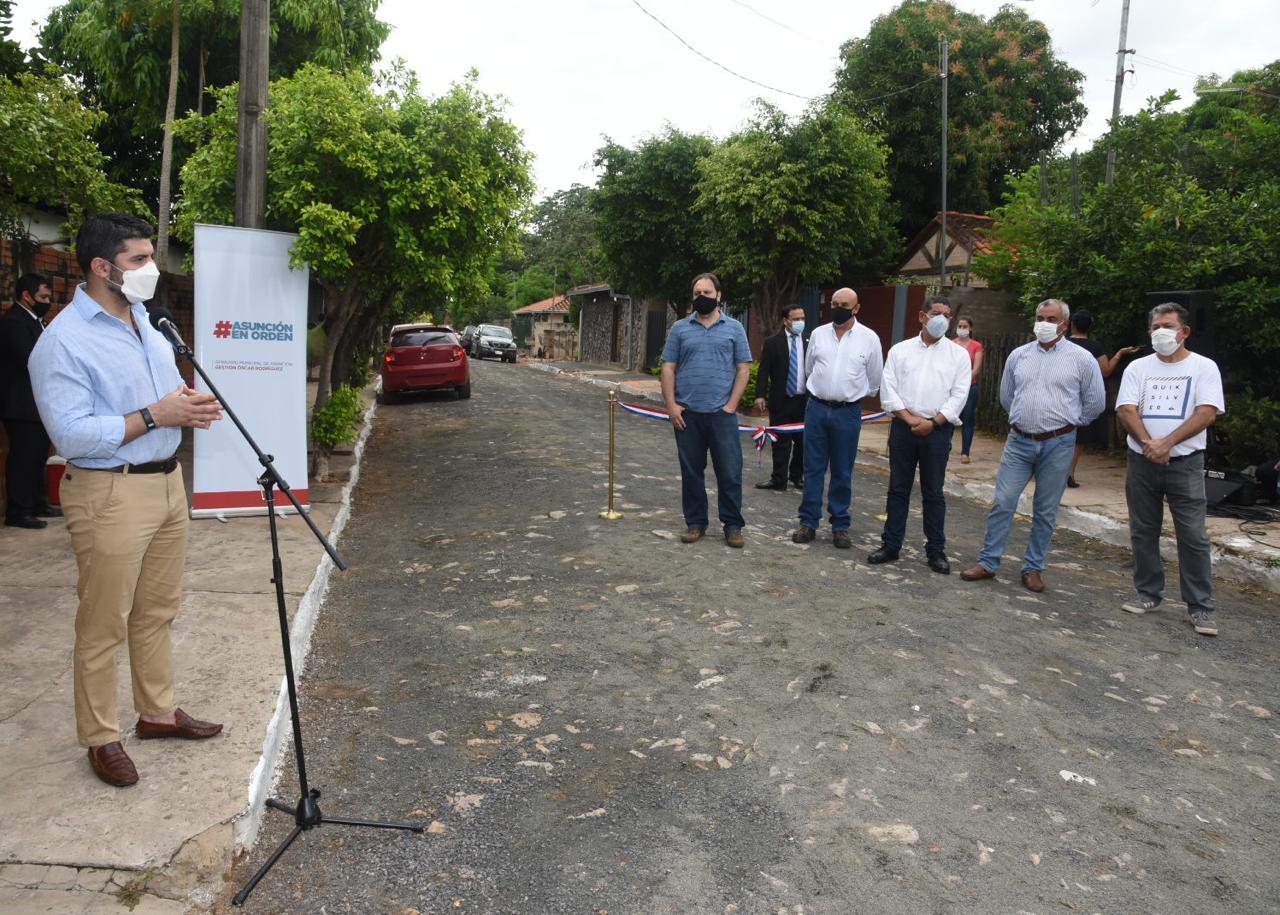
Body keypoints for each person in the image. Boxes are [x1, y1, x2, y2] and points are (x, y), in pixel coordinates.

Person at [29, 213, 226, 788]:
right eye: (138, 260)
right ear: (101, 267)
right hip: (108, 491)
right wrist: (157, 415)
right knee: (103, 623)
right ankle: (100, 737)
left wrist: (184, 407)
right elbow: (70, 435)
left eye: (149, 258)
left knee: (157, 610)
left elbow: (158, 399)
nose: (151, 269)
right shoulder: (63, 340)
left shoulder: (147, 320)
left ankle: (157, 712)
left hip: (166, 483)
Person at [960, 299, 1105, 593]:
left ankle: (1033, 568)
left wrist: (1068, 423)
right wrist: (1024, 417)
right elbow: (1007, 396)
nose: (1044, 324)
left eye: (1051, 319)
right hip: (1019, 441)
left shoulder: (1082, 359)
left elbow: (1095, 402)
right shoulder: (1019, 355)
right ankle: (988, 561)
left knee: (1045, 509)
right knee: (1003, 501)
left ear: (1065, 324)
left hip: (1059, 444)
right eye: (1040, 318)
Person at [1115, 302, 1225, 636]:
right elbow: (1126, 409)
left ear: (1184, 331)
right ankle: (1148, 592)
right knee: (1143, 529)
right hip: (1142, 460)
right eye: (1156, 327)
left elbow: (1207, 413)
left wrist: (1167, 443)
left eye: (1168, 326)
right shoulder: (1138, 368)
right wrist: (1150, 444)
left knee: (1192, 535)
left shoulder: (1203, 367)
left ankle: (1200, 607)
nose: (1161, 332)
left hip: (1185, 463)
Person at [869, 295, 970, 573]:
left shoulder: (958, 355)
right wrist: (909, 418)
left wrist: (934, 422)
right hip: (904, 427)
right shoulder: (900, 351)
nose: (942, 319)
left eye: (947, 315)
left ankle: (936, 551)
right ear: (922, 316)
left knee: (933, 492)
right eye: (936, 313)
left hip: (937, 431)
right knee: (898, 489)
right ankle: (891, 545)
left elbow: (959, 395)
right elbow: (888, 389)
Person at [660, 272, 752, 548]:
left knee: (730, 472)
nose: (702, 297)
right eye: (697, 293)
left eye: (707, 293)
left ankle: (732, 526)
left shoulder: (735, 328)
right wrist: (672, 406)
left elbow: (743, 369)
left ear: (719, 295)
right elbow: (668, 368)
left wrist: (731, 406)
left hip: (722, 416)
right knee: (691, 473)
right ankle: (696, 523)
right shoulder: (679, 329)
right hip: (688, 415)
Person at [792, 288, 883, 549]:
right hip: (817, 409)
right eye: (834, 304)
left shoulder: (869, 338)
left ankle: (840, 525)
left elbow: (875, 379)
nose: (838, 309)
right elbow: (809, 368)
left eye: (844, 305)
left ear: (856, 308)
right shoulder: (818, 334)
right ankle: (808, 522)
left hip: (848, 412)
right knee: (812, 468)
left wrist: (850, 394)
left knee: (842, 470)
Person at [1, 273, 60, 528]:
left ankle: (37, 502)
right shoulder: (15, 322)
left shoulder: (35, 320)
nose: (47, 301)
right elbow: (30, 359)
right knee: (23, 458)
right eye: (43, 297)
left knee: (37, 456)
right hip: (20, 404)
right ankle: (19, 510)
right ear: (27, 295)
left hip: (36, 404)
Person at [1065, 310, 1139, 488]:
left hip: (1062, 393)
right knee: (1079, 437)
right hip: (1084, 395)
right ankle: (1069, 473)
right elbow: (1105, 371)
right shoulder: (1095, 347)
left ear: (1071, 324)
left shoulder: (1062, 344)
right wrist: (1119, 354)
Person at [753, 304, 807, 492]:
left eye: (802, 318)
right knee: (780, 442)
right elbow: (764, 370)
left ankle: (797, 476)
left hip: (804, 401)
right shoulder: (773, 342)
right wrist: (760, 394)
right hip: (781, 400)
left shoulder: (810, 341)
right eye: (796, 319)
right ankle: (778, 479)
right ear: (785, 321)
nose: (800, 322)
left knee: (803, 442)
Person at [951, 315, 983, 464]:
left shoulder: (976, 346)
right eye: (960, 326)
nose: (962, 329)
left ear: (970, 328)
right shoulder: (952, 344)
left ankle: (965, 452)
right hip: (951, 387)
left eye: (965, 326)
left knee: (967, 418)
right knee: (949, 417)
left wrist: (963, 381)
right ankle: (945, 447)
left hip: (969, 387)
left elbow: (976, 369)